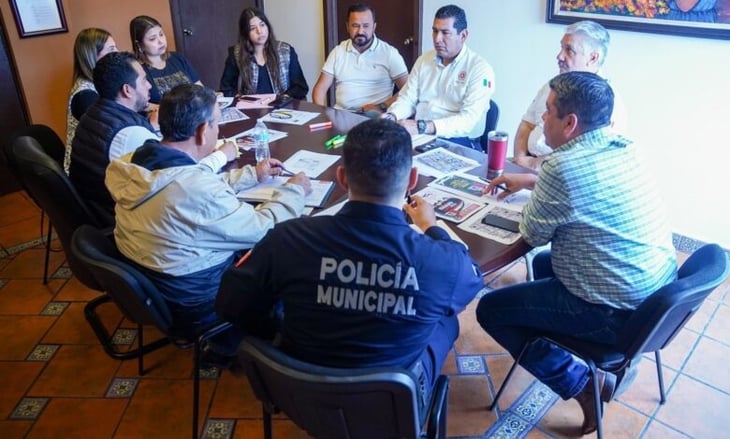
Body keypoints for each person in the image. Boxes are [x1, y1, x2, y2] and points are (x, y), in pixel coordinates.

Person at [216, 118, 484, 395]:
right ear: (412, 179)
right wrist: (432, 227)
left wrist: (276, 329)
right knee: (446, 319)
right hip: (392, 404)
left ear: (342, 178)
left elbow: (230, 303)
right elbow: (471, 283)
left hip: (301, 394)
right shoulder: (441, 262)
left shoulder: (286, 238)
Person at [476, 72, 677, 435]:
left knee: (491, 310)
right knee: (541, 265)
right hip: (654, 299)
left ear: (570, 123)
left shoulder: (562, 167)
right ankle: (578, 354)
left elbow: (533, 234)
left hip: (613, 314)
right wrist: (530, 180)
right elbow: (587, 181)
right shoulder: (624, 145)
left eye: (548, 111)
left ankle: (583, 385)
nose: (541, 118)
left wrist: (540, 187)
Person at [106, 83, 311, 357]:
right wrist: (295, 189)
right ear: (203, 131)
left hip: (155, 283)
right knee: (287, 254)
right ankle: (281, 342)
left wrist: (251, 175)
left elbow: (180, 182)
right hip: (198, 300)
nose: (218, 130)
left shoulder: (135, 162)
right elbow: (263, 228)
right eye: (216, 123)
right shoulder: (193, 189)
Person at [514, 20, 627, 170]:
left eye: (569, 50)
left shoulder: (607, 102)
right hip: (525, 166)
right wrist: (520, 159)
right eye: (561, 48)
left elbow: (588, 158)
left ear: (593, 58)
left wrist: (535, 164)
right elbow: (527, 124)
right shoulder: (553, 85)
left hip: (559, 177)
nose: (559, 56)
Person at [384, 4, 495, 148]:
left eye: (445, 33)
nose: (437, 39)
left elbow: (468, 121)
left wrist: (423, 127)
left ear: (463, 35)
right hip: (421, 135)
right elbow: (407, 98)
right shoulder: (424, 60)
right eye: (435, 31)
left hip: (459, 140)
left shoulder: (479, 69)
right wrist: (392, 116)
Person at [70, 51, 158, 226]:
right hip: (122, 223)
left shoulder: (94, 112)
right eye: (143, 80)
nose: (149, 86)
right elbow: (171, 181)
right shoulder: (131, 133)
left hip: (95, 213)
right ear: (127, 90)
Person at [312, 3, 408, 114]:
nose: (360, 31)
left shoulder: (390, 53)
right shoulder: (337, 52)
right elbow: (320, 89)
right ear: (348, 26)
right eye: (355, 26)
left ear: (374, 27)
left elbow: (407, 90)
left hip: (374, 117)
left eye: (366, 26)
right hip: (342, 115)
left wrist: (382, 106)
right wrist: (322, 115)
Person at [219, 7, 308, 99]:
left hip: (281, 108)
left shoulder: (286, 51)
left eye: (262, 25)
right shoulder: (236, 55)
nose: (260, 31)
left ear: (267, 26)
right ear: (245, 33)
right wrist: (244, 100)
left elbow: (300, 88)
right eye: (252, 28)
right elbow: (226, 89)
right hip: (250, 109)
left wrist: (281, 99)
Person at [64, 28, 118, 174]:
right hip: (86, 172)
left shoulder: (98, 83)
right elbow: (109, 134)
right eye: (112, 49)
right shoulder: (85, 95)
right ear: (93, 56)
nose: (117, 53)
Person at [130, 15, 203, 104]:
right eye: (152, 39)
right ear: (139, 44)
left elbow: (199, 87)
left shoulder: (178, 58)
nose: (160, 41)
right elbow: (140, 104)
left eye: (161, 34)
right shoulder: (137, 69)